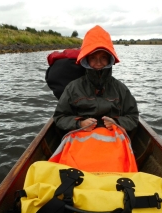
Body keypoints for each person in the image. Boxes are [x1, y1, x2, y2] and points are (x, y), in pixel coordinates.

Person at [49, 25, 139, 172]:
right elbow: (60, 117)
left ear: (110, 59)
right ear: (86, 60)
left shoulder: (120, 89)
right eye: (93, 58)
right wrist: (80, 124)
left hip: (113, 147)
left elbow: (133, 116)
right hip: (80, 147)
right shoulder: (73, 88)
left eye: (103, 57)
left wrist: (116, 122)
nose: (98, 62)